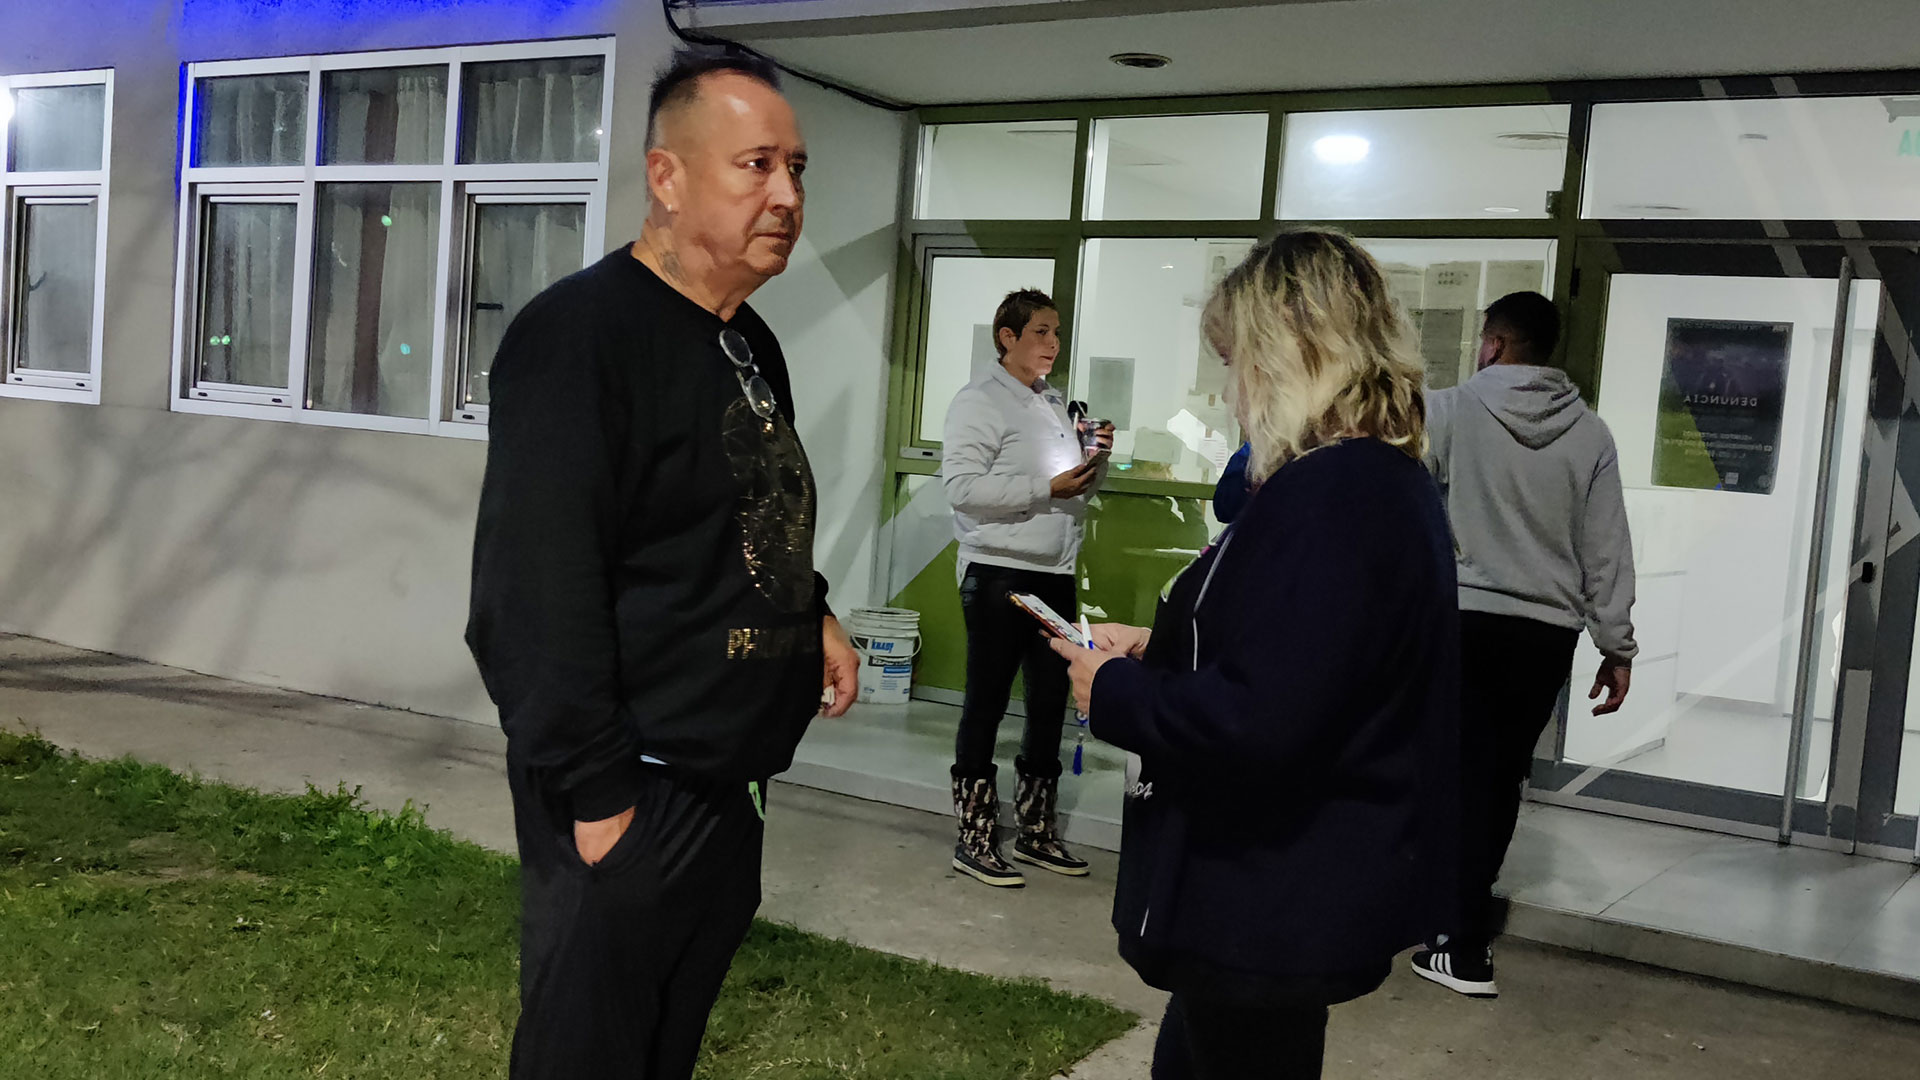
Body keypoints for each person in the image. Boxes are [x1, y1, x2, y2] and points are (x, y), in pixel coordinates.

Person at [465, 50, 860, 1080]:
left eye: (799, 170)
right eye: (757, 165)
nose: (787, 195)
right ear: (667, 176)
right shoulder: (580, 338)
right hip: (633, 786)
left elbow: (739, 510)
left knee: (660, 1055)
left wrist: (809, 611)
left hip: (726, 785)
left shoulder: (746, 341)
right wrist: (603, 806)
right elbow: (531, 597)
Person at [1052, 231, 1462, 1079]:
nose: (1230, 392)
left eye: (1238, 362)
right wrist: (1161, 647)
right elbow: (1298, 658)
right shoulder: (1364, 482)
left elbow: (1263, 718)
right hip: (1276, 892)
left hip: (1268, 890)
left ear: (1290, 355)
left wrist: (1118, 691)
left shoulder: (1334, 497)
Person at [1411, 290, 1637, 998]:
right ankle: (1457, 931)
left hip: (1461, 618)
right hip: (1545, 634)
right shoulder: (1591, 434)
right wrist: (1617, 643)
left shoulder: (1447, 411)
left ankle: (1451, 934)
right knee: (1498, 777)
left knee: (1446, 771)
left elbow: (1403, 505)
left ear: (1495, 343)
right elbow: (1605, 549)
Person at [941, 288, 1112, 888]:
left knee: (1048, 702)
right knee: (986, 700)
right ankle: (976, 835)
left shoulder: (1055, 403)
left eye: (1057, 333)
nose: (1052, 344)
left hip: (1056, 572)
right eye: (1040, 332)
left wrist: (1097, 461)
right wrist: (1047, 492)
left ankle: (1038, 831)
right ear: (1006, 338)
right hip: (997, 571)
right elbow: (962, 487)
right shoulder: (979, 401)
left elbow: (1075, 490)